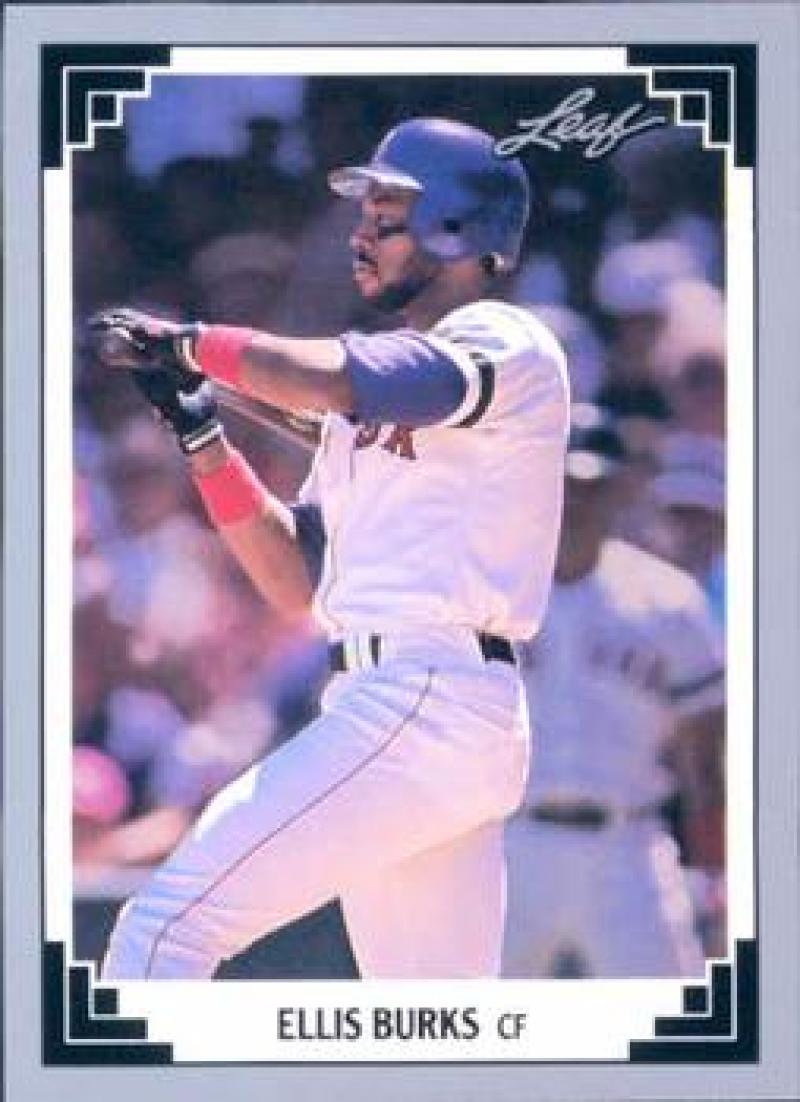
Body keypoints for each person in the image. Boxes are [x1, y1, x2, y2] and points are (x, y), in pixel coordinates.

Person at [90, 117, 569, 980]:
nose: (360, 236)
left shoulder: (503, 337)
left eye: (386, 216)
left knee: (162, 933)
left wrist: (195, 343)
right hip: (409, 701)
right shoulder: (367, 410)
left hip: (427, 694)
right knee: (432, 1038)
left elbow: (348, 378)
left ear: (456, 229)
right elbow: (294, 578)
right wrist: (200, 434)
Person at [502, 406, 725, 978]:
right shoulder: (491, 591)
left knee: (677, 1030)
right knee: (474, 1027)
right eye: (562, 485)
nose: (574, 502)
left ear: (619, 490)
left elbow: (705, 752)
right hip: (510, 843)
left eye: (589, 485)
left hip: (629, 845)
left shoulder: (668, 601)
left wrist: (714, 866)